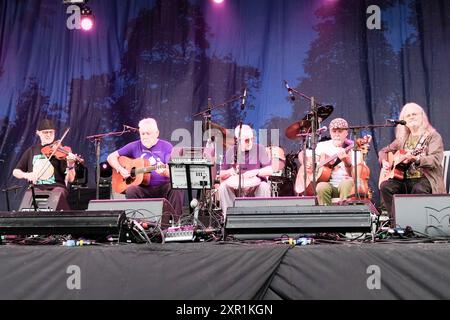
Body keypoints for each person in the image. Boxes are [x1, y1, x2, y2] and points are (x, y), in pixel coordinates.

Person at [107, 118, 183, 218]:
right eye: (142, 134)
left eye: (148, 133)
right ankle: (137, 224)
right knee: (131, 190)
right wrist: (120, 169)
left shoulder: (166, 146)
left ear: (157, 133)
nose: (145, 137)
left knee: (176, 187)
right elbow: (110, 157)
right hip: (143, 189)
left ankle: (176, 224)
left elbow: (172, 170)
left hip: (163, 187)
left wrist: (165, 172)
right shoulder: (134, 146)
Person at [379, 102, 445, 218]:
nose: (411, 117)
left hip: (425, 179)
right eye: (407, 115)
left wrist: (417, 159)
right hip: (404, 180)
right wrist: (385, 162)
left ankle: (417, 225)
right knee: (386, 186)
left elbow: (435, 159)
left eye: (414, 114)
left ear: (422, 116)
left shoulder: (433, 136)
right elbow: (383, 151)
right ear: (403, 121)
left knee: (418, 189)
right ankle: (397, 222)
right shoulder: (402, 139)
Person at [13, 119, 77, 210]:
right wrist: (26, 174)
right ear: (38, 133)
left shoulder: (61, 150)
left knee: (56, 197)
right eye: (45, 132)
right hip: (36, 188)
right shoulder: (31, 150)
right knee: (28, 200)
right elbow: (15, 172)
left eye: (51, 132)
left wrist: (70, 164)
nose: (48, 135)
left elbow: (71, 179)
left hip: (57, 187)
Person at [218, 124, 273, 218]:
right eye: (247, 140)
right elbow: (221, 175)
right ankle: (230, 218)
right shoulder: (231, 151)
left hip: (255, 187)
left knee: (264, 186)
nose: (250, 142)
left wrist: (256, 172)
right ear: (238, 140)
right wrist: (231, 171)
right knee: (223, 187)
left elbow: (270, 170)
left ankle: (261, 218)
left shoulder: (260, 149)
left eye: (252, 139)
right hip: (236, 189)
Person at [301, 118, 355, 205]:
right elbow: (302, 154)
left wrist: (346, 162)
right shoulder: (322, 146)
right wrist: (306, 162)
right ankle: (326, 214)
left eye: (340, 131)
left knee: (347, 183)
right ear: (330, 132)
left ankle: (345, 213)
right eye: (334, 131)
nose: (337, 134)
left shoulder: (353, 148)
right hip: (329, 185)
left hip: (345, 184)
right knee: (321, 186)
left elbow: (355, 175)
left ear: (346, 133)